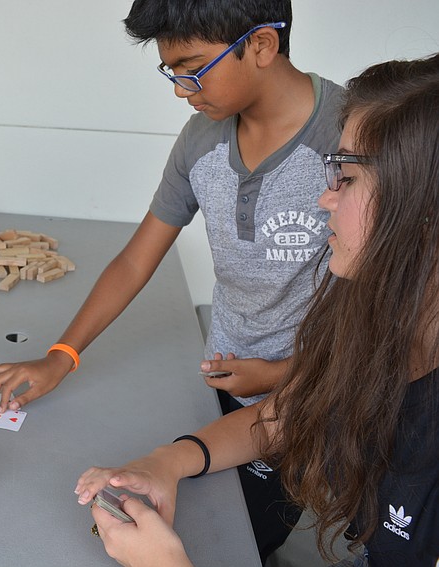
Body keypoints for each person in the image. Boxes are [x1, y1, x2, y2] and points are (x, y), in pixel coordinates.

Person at [0, 0, 340, 560]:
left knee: (247, 537)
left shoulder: (352, 142)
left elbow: (390, 320)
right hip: (224, 374)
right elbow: (135, 260)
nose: (180, 88)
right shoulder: (202, 138)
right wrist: (61, 355)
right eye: (170, 70)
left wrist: (282, 372)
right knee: (190, 507)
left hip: (320, 391)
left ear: (263, 46)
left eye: (192, 67)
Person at [75, 54, 439, 567]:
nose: (324, 199)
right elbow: (288, 410)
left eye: (348, 177)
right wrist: (167, 461)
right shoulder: (373, 313)